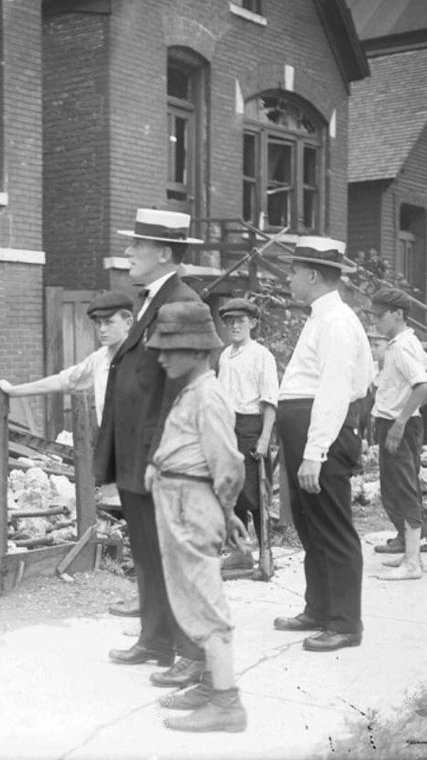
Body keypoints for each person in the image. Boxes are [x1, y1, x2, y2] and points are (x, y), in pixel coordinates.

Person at [97, 208, 208, 690]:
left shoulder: (181, 302)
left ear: (164, 253)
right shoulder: (151, 300)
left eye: (136, 247)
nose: (127, 253)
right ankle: (156, 639)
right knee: (146, 551)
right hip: (137, 452)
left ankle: (193, 655)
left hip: (160, 456)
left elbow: (183, 392)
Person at [143, 301, 247, 733]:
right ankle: (209, 684)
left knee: (205, 603)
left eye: (172, 348)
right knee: (190, 596)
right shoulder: (193, 389)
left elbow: (227, 464)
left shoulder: (208, 394)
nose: (163, 356)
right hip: (181, 498)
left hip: (191, 501)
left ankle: (226, 703)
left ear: (198, 349)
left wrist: (224, 510)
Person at [273, 236, 373, 652]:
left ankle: (346, 623)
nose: (289, 278)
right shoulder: (320, 318)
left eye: (293, 271)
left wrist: (315, 452)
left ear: (312, 275)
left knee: (332, 527)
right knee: (311, 525)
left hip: (324, 435)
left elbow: (334, 391)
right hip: (308, 431)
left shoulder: (336, 322)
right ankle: (319, 608)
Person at [368, 288, 427, 579]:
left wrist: (401, 420)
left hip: (396, 427)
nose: (376, 322)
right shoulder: (407, 342)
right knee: (397, 490)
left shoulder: (401, 347)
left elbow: (424, 386)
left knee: (403, 492)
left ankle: (413, 563)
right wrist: (409, 412)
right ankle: (410, 554)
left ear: (398, 315)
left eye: (379, 316)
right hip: (399, 423)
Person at [0, 290, 134, 426]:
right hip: (109, 440)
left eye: (109, 322)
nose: (102, 329)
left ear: (128, 323)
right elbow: (62, 381)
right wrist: (13, 391)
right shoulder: (100, 358)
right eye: (98, 323)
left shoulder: (140, 358)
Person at [215, 297, 278, 571]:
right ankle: (240, 552)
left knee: (255, 494)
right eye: (230, 321)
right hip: (227, 428)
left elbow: (270, 401)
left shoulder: (261, 355)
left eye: (240, 321)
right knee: (232, 491)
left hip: (251, 427)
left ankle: (265, 553)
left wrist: (264, 438)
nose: (235, 326)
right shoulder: (225, 355)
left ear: (252, 323)